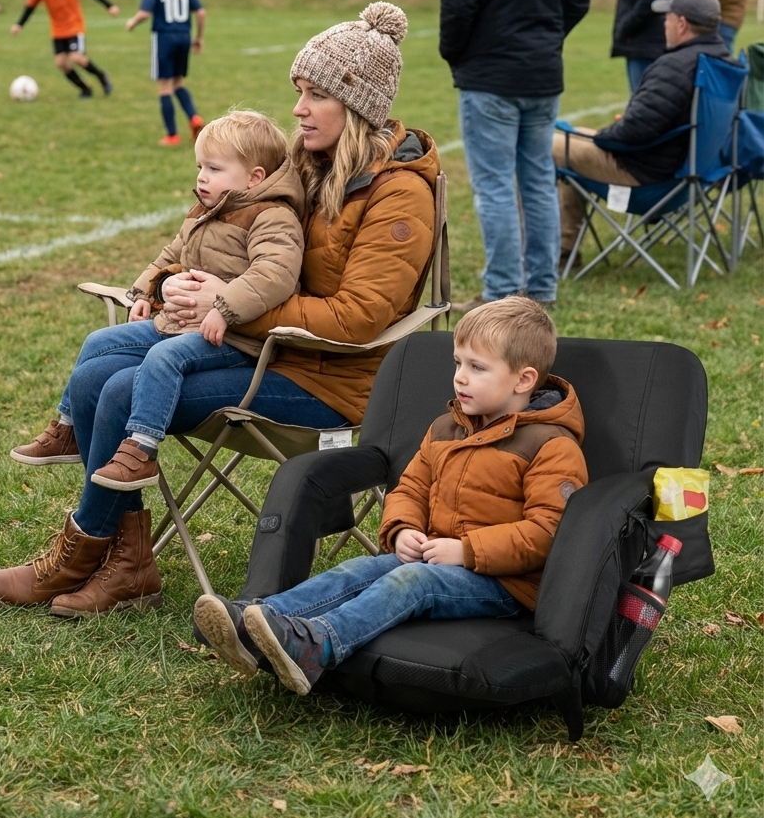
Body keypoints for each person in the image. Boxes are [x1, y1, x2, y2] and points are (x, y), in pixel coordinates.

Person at [0, 1, 440, 619]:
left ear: (357, 106)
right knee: (93, 376)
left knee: (121, 389)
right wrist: (171, 282)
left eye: (316, 95)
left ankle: (86, 553)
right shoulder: (310, 165)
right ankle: (125, 558)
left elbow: (358, 318)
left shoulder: (399, 193)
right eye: (298, 92)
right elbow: (226, 235)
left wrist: (224, 305)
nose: (298, 109)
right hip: (264, 349)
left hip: (332, 379)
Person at [192, 297, 587, 693]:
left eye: (477, 367)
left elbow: (549, 532)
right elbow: (411, 487)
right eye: (458, 363)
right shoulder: (446, 429)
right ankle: (252, 620)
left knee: (413, 581)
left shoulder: (551, 445)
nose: (460, 378)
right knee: (358, 570)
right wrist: (402, 529)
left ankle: (317, 645)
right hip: (438, 556)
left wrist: (467, 551)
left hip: (506, 584)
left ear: (523, 380)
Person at [30, 110, 305, 500]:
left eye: (214, 168)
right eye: (200, 167)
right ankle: (67, 428)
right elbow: (170, 254)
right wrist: (145, 293)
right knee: (99, 341)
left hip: (234, 340)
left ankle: (141, 447)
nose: (202, 177)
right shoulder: (205, 212)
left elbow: (274, 275)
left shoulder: (273, 217)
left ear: (254, 177)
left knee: (164, 358)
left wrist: (224, 307)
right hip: (179, 323)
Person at [439, 0, 590, 313]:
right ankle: (541, 287)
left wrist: (457, 51)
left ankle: (504, 289)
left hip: (492, 76)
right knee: (538, 179)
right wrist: (546, 39)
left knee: (496, 184)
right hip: (540, 74)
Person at [553, 0, 734, 255]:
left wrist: (602, 136)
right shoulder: (724, 64)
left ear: (682, 24)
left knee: (546, 146)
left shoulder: (675, 67)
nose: (664, 24)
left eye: (667, 17)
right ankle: (564, 246)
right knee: (574, 137)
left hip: (647, 180)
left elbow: (635, 130)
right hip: (687, 177)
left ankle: (535, 254)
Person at [10, 0, 119, 98]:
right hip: (57, 30)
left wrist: (109, 6)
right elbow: (30, 6)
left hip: (74, 26)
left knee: (77, 58)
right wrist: (19, 24)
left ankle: (101, 76)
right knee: (61, 63)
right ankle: (85, 89)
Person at [126, 0, 206, 146]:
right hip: (183, 36)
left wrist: (132, 22)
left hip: (164, 38)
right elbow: (200, 12)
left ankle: (172, 135)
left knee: (164, 87)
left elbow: (146, 12)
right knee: (178, 82)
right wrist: (198, 38)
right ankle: (194, 117)